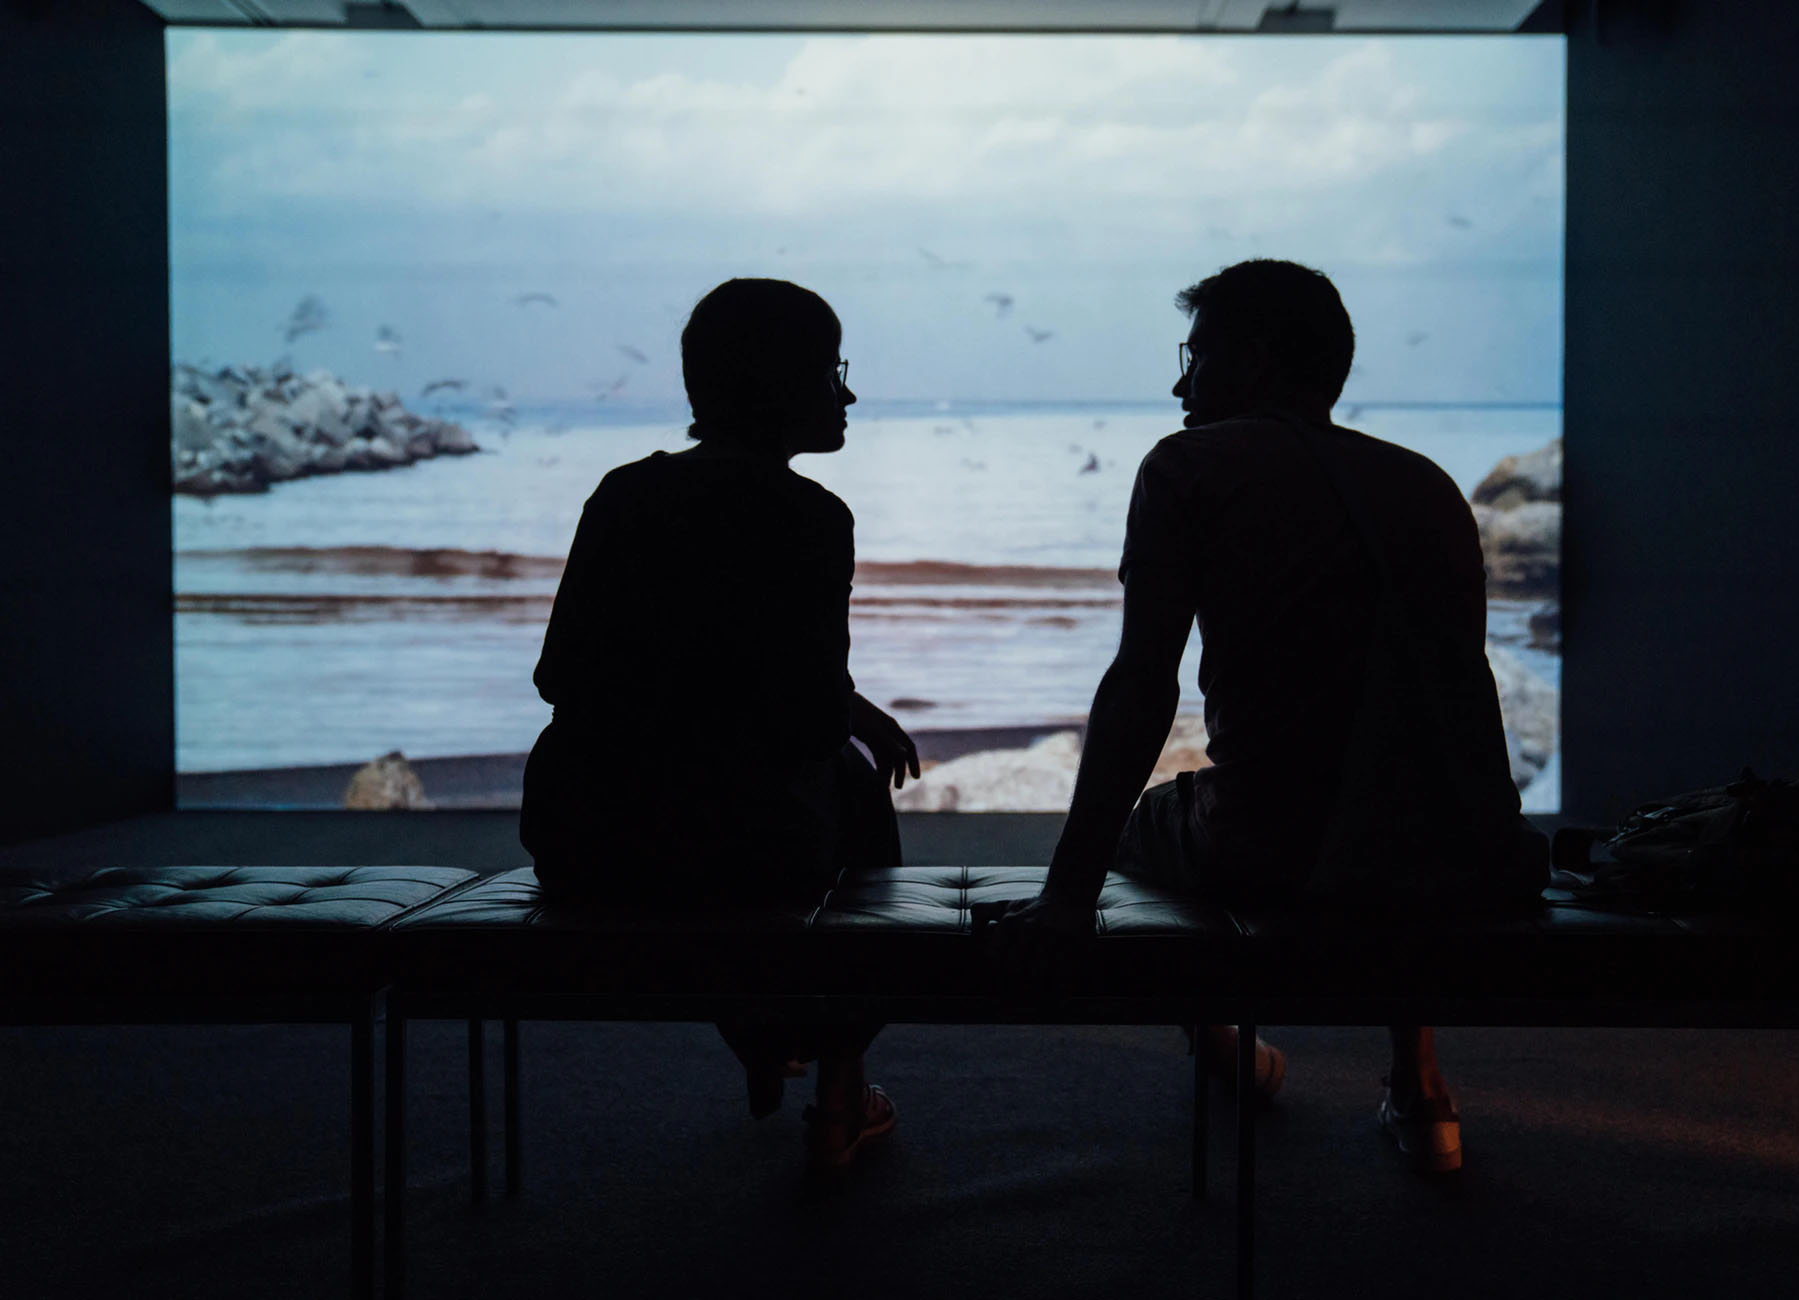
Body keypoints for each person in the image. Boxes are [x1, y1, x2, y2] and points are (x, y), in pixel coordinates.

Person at [980, 259, 1548, 1175]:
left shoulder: (1190, 466)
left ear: (1254, 359)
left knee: (1148, 828)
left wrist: (1066, 895)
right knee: (1390, 773)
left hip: (1280, 851)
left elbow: (1141, 684)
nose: (1178, 384)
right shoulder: (1427, 483)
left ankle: (1225, 1048)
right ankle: (1420, 1083)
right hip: (1464, 851)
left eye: (1195, 356)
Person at [518, 277, 922, 1173]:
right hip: (741, 853)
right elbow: (807, 718)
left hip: (586, 839)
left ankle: (759, 1020)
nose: (847, 394)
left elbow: (561, 674)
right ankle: (841, 1090)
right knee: (850, 796)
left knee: (733, 801)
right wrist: (842, 719)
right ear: (785, 386)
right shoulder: (812, 517)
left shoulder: (623, 494)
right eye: (832, 372)